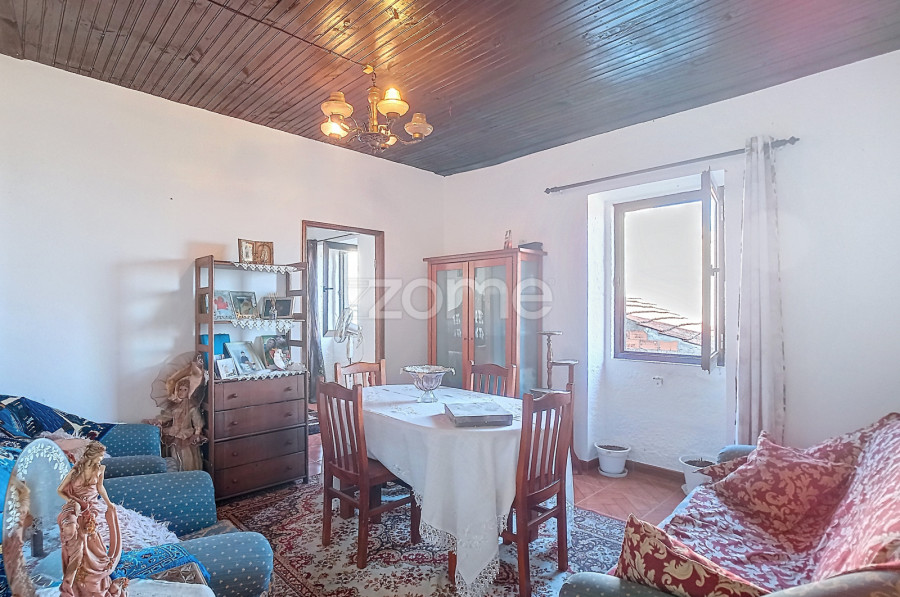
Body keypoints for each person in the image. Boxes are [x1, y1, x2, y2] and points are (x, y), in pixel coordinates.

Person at [57, 441, 128, 597]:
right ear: (93, 455)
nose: (102, 459)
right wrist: (74, 503)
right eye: (100, 456)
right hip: (76, 512)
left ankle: (95, 583)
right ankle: (76, 587)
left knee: (94, 547)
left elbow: (100, 488)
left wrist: (109, 503)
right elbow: (61, 490)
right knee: (77, 547)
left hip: (91, 511)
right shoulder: (76, 469)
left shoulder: (100, 468)